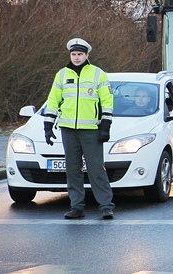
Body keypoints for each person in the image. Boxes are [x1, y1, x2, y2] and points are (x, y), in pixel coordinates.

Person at [43, 38, 115, 219]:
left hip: (91, 130)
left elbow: (107, 102)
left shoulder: (98, 74)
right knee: (72, 169)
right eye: (73, 54)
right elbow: (53, 101)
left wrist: (105, 126)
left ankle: (106, 205)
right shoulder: (61, 75)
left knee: (96, 168)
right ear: (70, 55)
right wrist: (48, 125)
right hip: (68, 129)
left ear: (87, 55)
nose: (76, 57)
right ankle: (76, 206)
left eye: (80, 54)